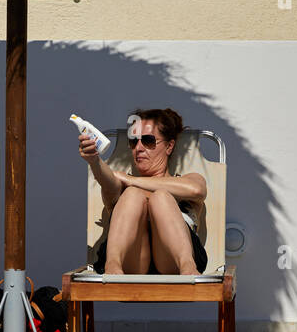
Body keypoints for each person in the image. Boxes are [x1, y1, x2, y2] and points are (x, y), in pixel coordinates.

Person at [78, 108, 209, 276]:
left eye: (148, 140)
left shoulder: (188, 179)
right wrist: (94, 161)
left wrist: (131, 180)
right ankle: (112, 266)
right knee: (132, 195)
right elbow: (108, 182)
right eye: (133, 141)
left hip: (174, 264)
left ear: (169, 146)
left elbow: (197, 190)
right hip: (132, 262)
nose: (138, 148)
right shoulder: (123, 187)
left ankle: (188, 267)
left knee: (161, 196)